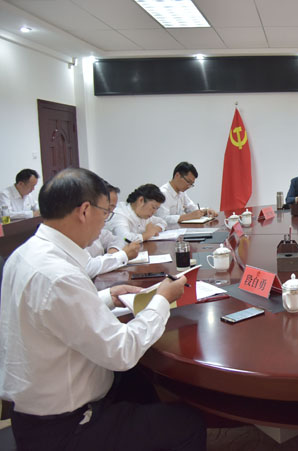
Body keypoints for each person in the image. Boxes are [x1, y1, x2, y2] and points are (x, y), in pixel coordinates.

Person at [0, 167, 205, 451]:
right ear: (85, 211)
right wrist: (162, 299)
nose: (104, 223)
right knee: (187, 424)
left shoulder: (25, 254)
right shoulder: (59, 276)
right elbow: (122, 352)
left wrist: (109, 296)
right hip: (65, 426)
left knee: (139, 383)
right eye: (105, 212)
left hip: (32, 410)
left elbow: (52, 312)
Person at [85, 182, 141, 278]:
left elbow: (119, 239)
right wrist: (123, 255)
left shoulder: (96, 228)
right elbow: (88, 268)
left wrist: (114, 251)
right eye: (106, 210)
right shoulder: (75, 232)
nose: (107, 216)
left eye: (110, 211)